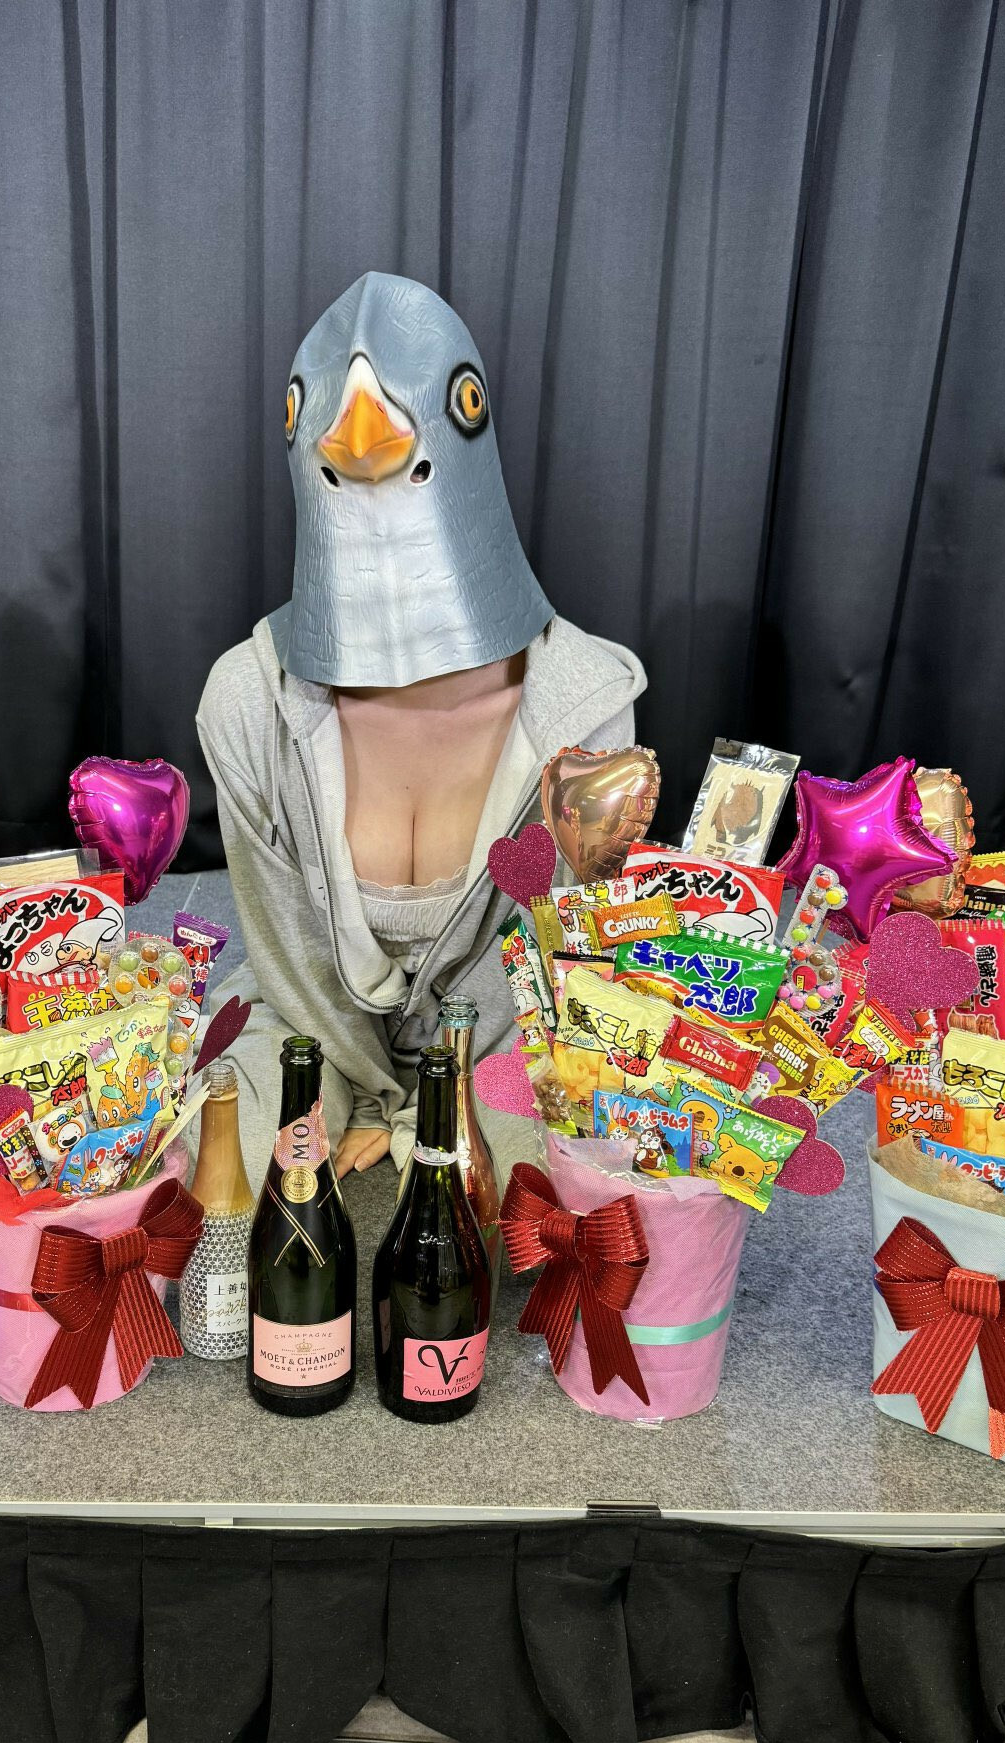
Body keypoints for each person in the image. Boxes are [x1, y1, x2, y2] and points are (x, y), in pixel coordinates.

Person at [197, 272, 646, 1182]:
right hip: (307, 1025)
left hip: (509, 1037)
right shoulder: (247, 698)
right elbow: (288, 955)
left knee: (536, 1202)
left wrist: (436, 1104)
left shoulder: (584, 702)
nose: (366, 432)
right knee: (209, 1186)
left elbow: (557, 955)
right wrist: (366, 1089)